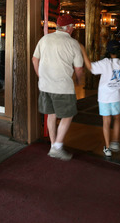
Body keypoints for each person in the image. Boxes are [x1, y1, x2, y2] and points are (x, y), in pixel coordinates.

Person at [32, 14, 84, 161]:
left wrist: (40, 76)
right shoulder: (73, 44)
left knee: (51, 114)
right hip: (62, 87)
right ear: (68, 28)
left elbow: (34, 59)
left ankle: (53, 145)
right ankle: (58, 147)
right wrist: (80, 80)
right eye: (73, 26)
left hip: (45, 85)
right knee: (68, 115)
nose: (73, 29)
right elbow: (79, 68)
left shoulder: (45, 39)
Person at [80, 40, 120, 157]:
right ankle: (115, 141)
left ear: (108, 51)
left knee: (106, 122)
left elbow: (90, 67)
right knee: (117, 118)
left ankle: (107, 147)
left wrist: (83, 50)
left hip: (105, 97)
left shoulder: (105, 63)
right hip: (117, 96)